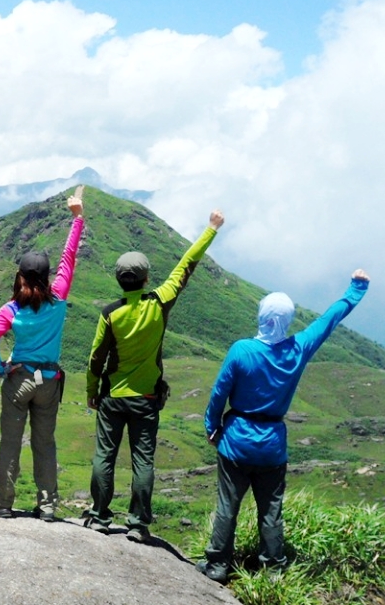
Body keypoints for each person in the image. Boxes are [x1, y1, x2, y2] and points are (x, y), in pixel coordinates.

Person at [196, 269, 370, 583]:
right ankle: (273, 570)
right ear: (288, 320)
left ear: (261, 316)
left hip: (236, 441)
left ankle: (219, 564)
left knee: (227, 506)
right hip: (272, 446)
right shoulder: (298, 349)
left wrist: (212, 427)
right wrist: (356, 288)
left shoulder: (241, 350)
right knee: (270, 510)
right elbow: (329, 320)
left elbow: (219, 393)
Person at [84, 209, 225, 542]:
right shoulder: (160, 302)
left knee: (104, 455)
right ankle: (137, 523)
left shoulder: (110, 313)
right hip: (146, 398)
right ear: (147, 278)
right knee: (142, 460)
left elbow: (95, 358)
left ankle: (100, 516)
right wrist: (211, 229)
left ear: (119, 280)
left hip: (113, 398)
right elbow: (186, 265)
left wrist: (92, 390)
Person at [0, 188, 85, 522]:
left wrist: (1, 368)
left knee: (10, 443)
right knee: (45, 443)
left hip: (19, 379)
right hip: (50, 381)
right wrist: (77, 218)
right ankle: (48, 505)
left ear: (21, 277)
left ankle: (5, 504)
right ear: (46, 276)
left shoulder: (11, 309)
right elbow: (69, 259)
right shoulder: (58, 299)